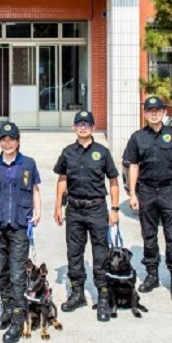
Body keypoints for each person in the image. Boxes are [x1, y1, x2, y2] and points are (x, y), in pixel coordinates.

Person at [124, 96, 172, 303]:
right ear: (145, 114)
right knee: (149, 235)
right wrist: (133, 193)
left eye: (157, 110)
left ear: (164, 113)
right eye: (150, 111)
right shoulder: (138, 137)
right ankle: (152, 276)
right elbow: (133, 165)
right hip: (147, 190)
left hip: (169, 190)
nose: (154, 114)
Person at [54, 111, 120, 321]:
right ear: (74, 127)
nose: (83, 127)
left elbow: (113, 181)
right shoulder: (67, 152)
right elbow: (62, 179)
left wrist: (115, 209)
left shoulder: (102, 152)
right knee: (74, 254)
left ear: (93, 127)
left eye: (87, 124)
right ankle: (77, 293)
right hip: (74, 209)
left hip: (97, 209)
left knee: (101, 255)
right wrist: (58, 206)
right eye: (79, 124)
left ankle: (103, 297)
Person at [0, 122, 41, 343]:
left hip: (19, 224)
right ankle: (7, 308)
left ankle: (18, 319)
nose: (7, 143)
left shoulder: (28, 164)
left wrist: (38, 211)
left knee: (17, 274)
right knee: (0, 271)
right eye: (3, 139)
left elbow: (35, 189)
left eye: (11, 139)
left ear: (18, 141)